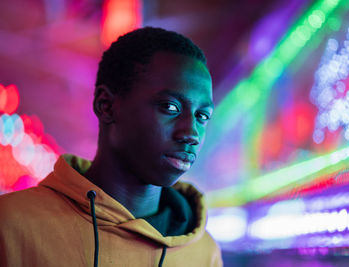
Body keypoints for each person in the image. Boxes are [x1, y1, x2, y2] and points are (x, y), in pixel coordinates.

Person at [0, 27, 222, 267]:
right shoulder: (11, 226)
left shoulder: (204, 253)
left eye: (202, 116)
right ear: (106, 106)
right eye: (170, 107)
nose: (191, 134)